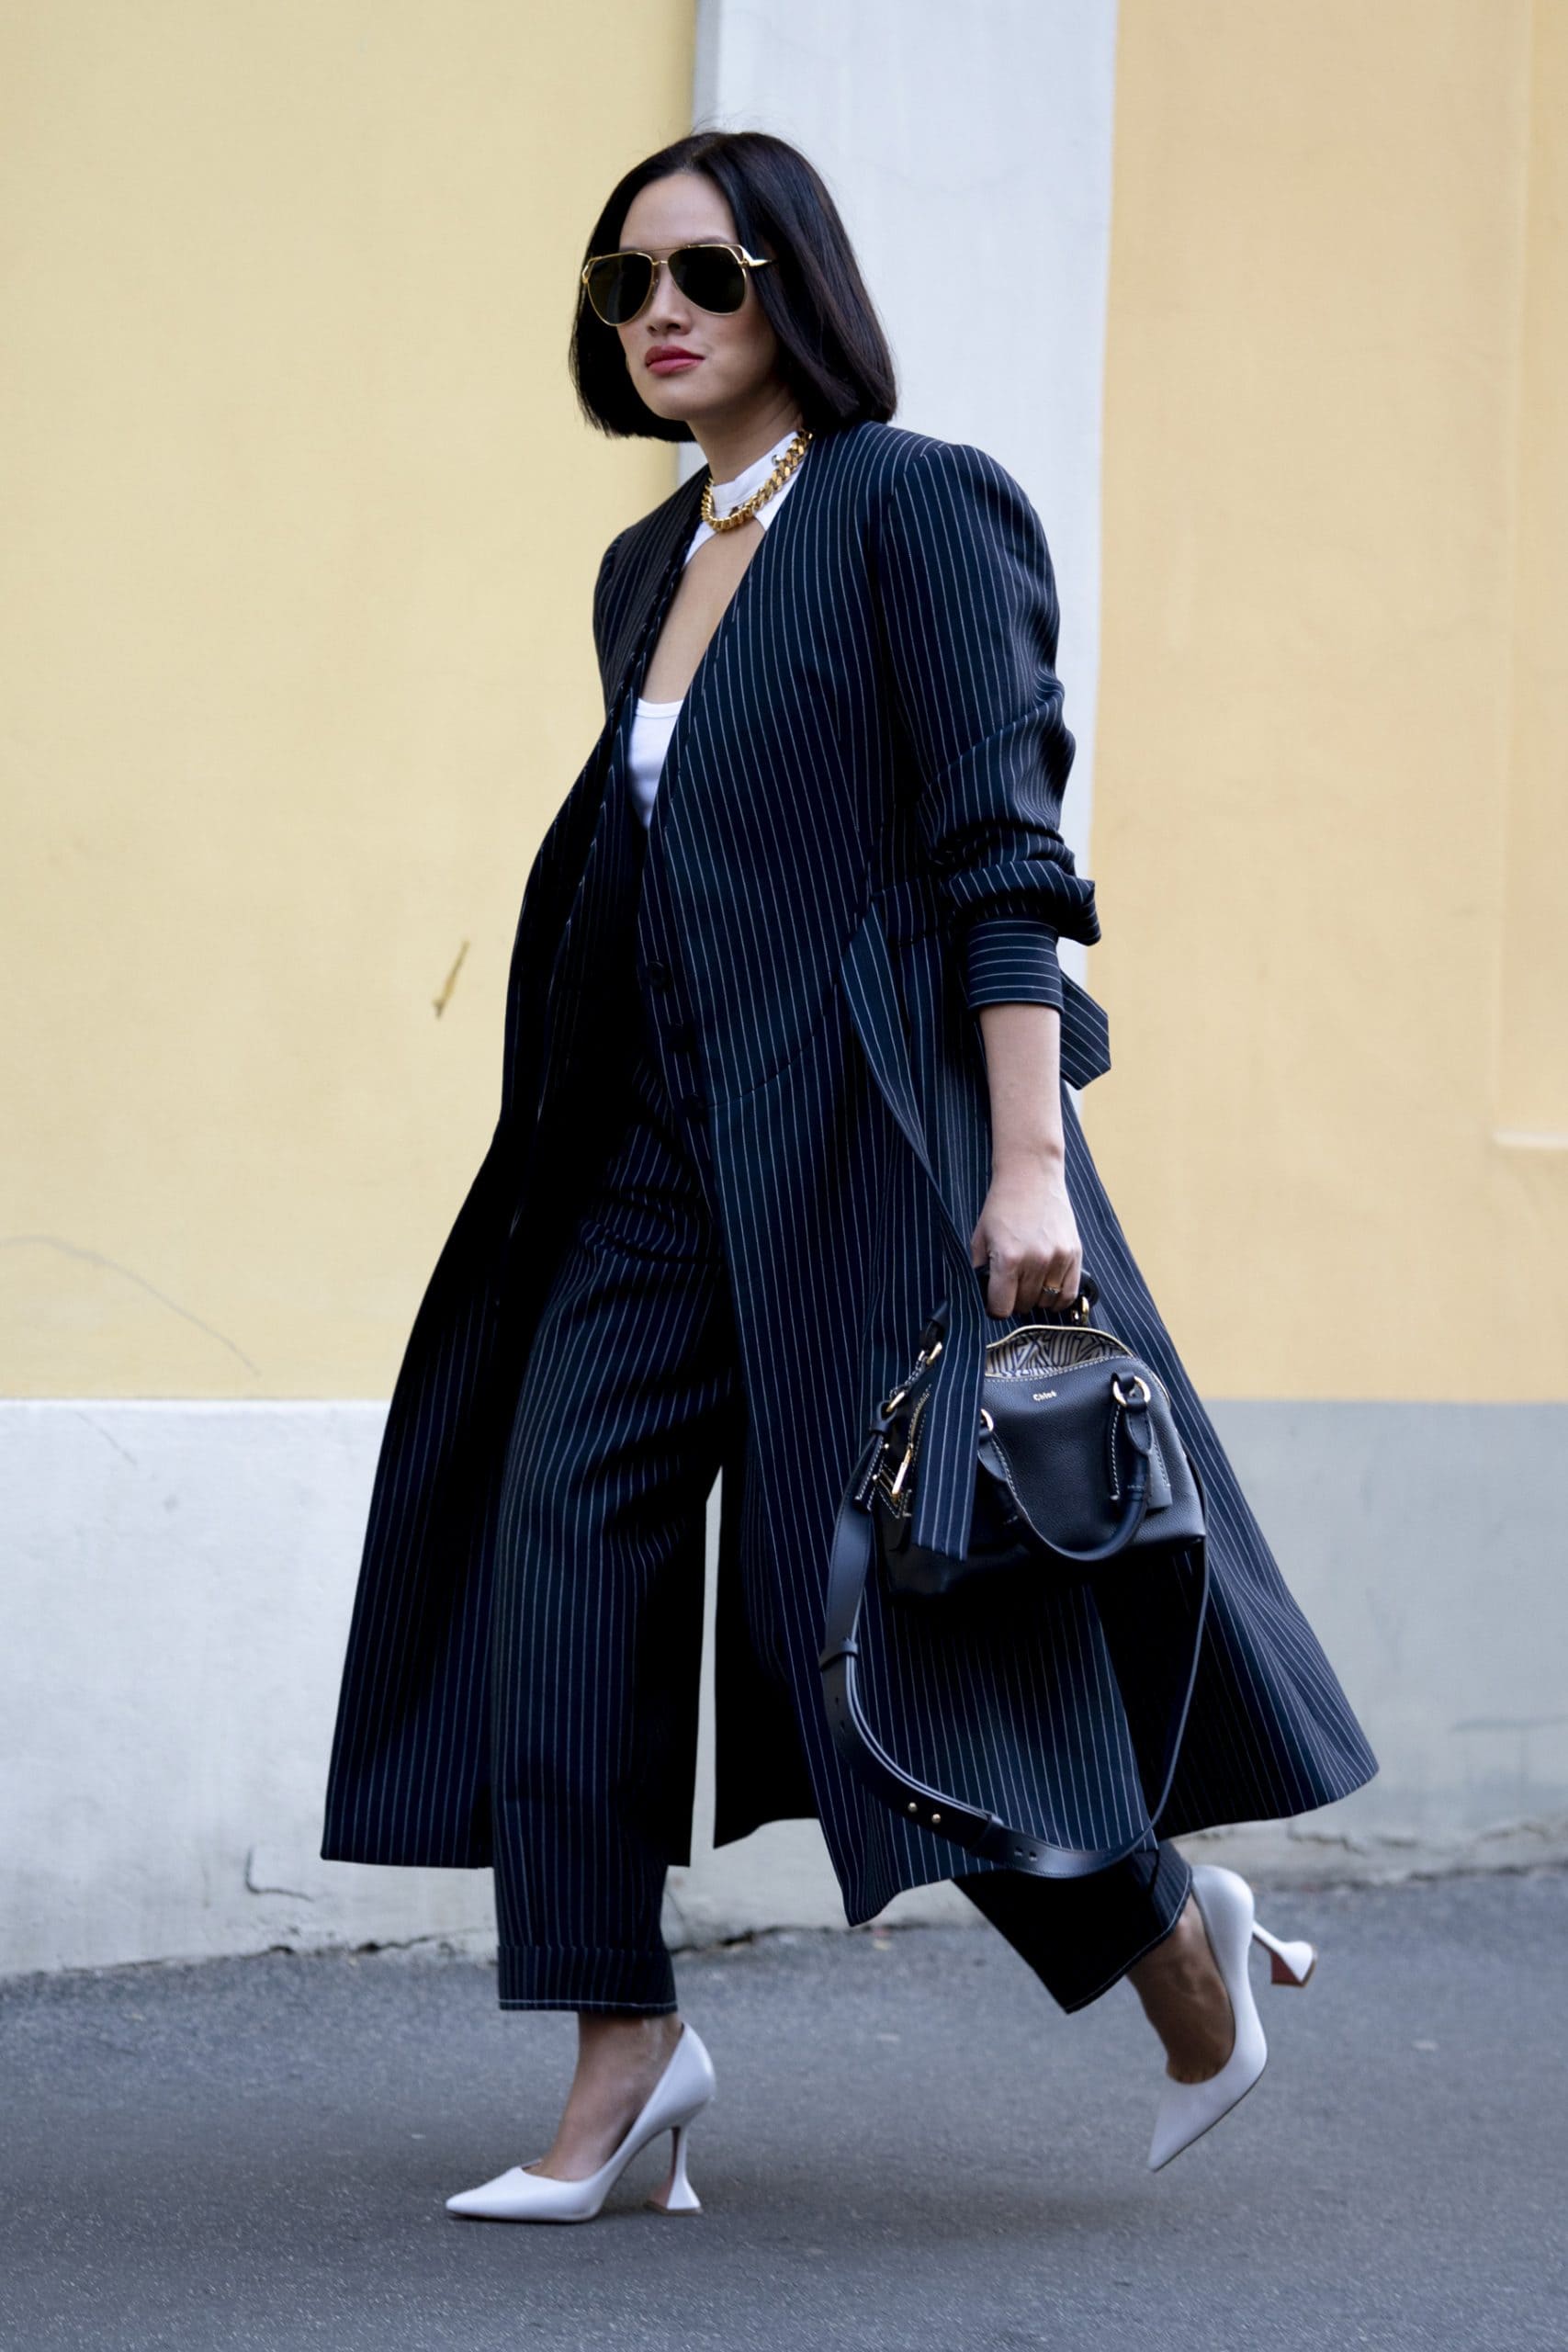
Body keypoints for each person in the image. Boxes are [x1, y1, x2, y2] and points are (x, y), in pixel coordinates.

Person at [321, 129, 1379, 2223]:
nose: (660, 313)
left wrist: (1023, 1167)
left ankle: (1171, 1939)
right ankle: (622, 2052)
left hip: (870, 1149)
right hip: (649, 1152)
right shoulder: (644, 566)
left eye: (704, 273)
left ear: (793, 284)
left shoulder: (913, 505)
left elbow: (1004, 856)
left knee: (917, 1612)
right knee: (560, 1537)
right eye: (624, 284)